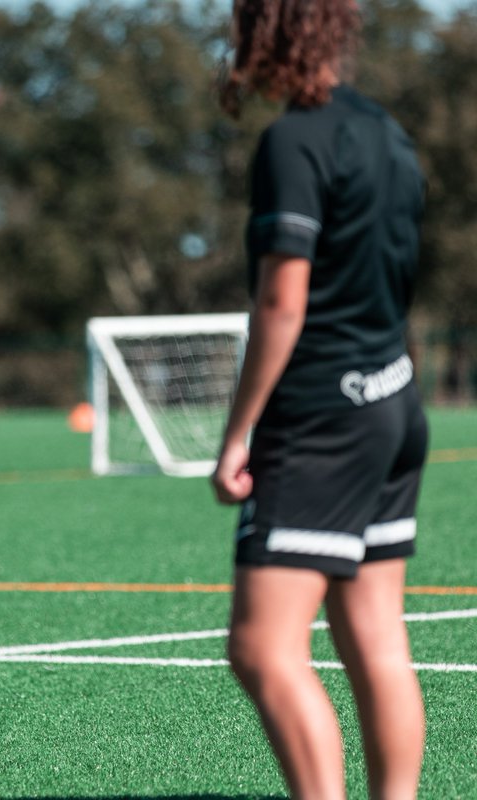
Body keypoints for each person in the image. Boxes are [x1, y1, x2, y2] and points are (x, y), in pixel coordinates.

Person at [212, 2, 428, 798]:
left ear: (266, 31)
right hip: (394, 400)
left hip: (322, 416)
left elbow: (282, 304)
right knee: (373, 633)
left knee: (263, 648)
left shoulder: (294, 141)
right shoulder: (389, 133)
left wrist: (239, 435)